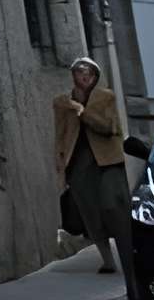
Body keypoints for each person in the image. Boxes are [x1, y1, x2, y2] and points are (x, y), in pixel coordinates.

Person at [53, 56, 128, 274]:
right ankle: (108, 260)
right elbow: (60, 133)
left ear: (95, 77)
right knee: (90, 213)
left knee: (114, 206)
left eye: (89, 73)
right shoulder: (62, 102)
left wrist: (82, 112)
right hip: (78, 163)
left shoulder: (105, 97)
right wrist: (59, 162)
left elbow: (109, 127)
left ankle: (127, 255)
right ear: (73, 76)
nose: (85, 76)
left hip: (108, 161)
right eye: (80, 72)